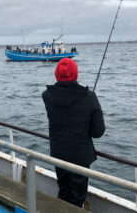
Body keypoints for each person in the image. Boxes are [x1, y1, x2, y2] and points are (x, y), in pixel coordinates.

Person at [42, 58, 105, 207]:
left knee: (63, 193)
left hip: (58, 154)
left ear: (57, 74)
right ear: (75, 74)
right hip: (80, 156)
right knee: (77, 199)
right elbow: (98, 131)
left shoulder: (47, 95)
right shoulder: (89, 96)